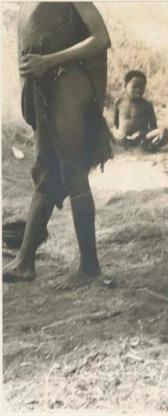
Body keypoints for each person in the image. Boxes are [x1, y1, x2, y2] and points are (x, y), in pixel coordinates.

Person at [3, 2, 114, 289]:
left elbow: (101, 38)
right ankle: (25, 262)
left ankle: (89, 268)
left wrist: (49, 60)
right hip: (44, 91)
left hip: (68, 85)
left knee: (73, 174)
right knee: (46, 172)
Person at [113, 70, 168, 152]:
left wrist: (141, 133)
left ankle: (149, 147)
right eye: (135, 87)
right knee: (108, 133)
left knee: (164, 132)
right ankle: (127, 148)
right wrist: (118, 134)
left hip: (142, 139)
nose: (138, 90)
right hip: (123, 140)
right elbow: (115, 125)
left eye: (142, 87)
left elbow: (153, 127)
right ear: (125, 86)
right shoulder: (119, 103)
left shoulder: (147, 105)